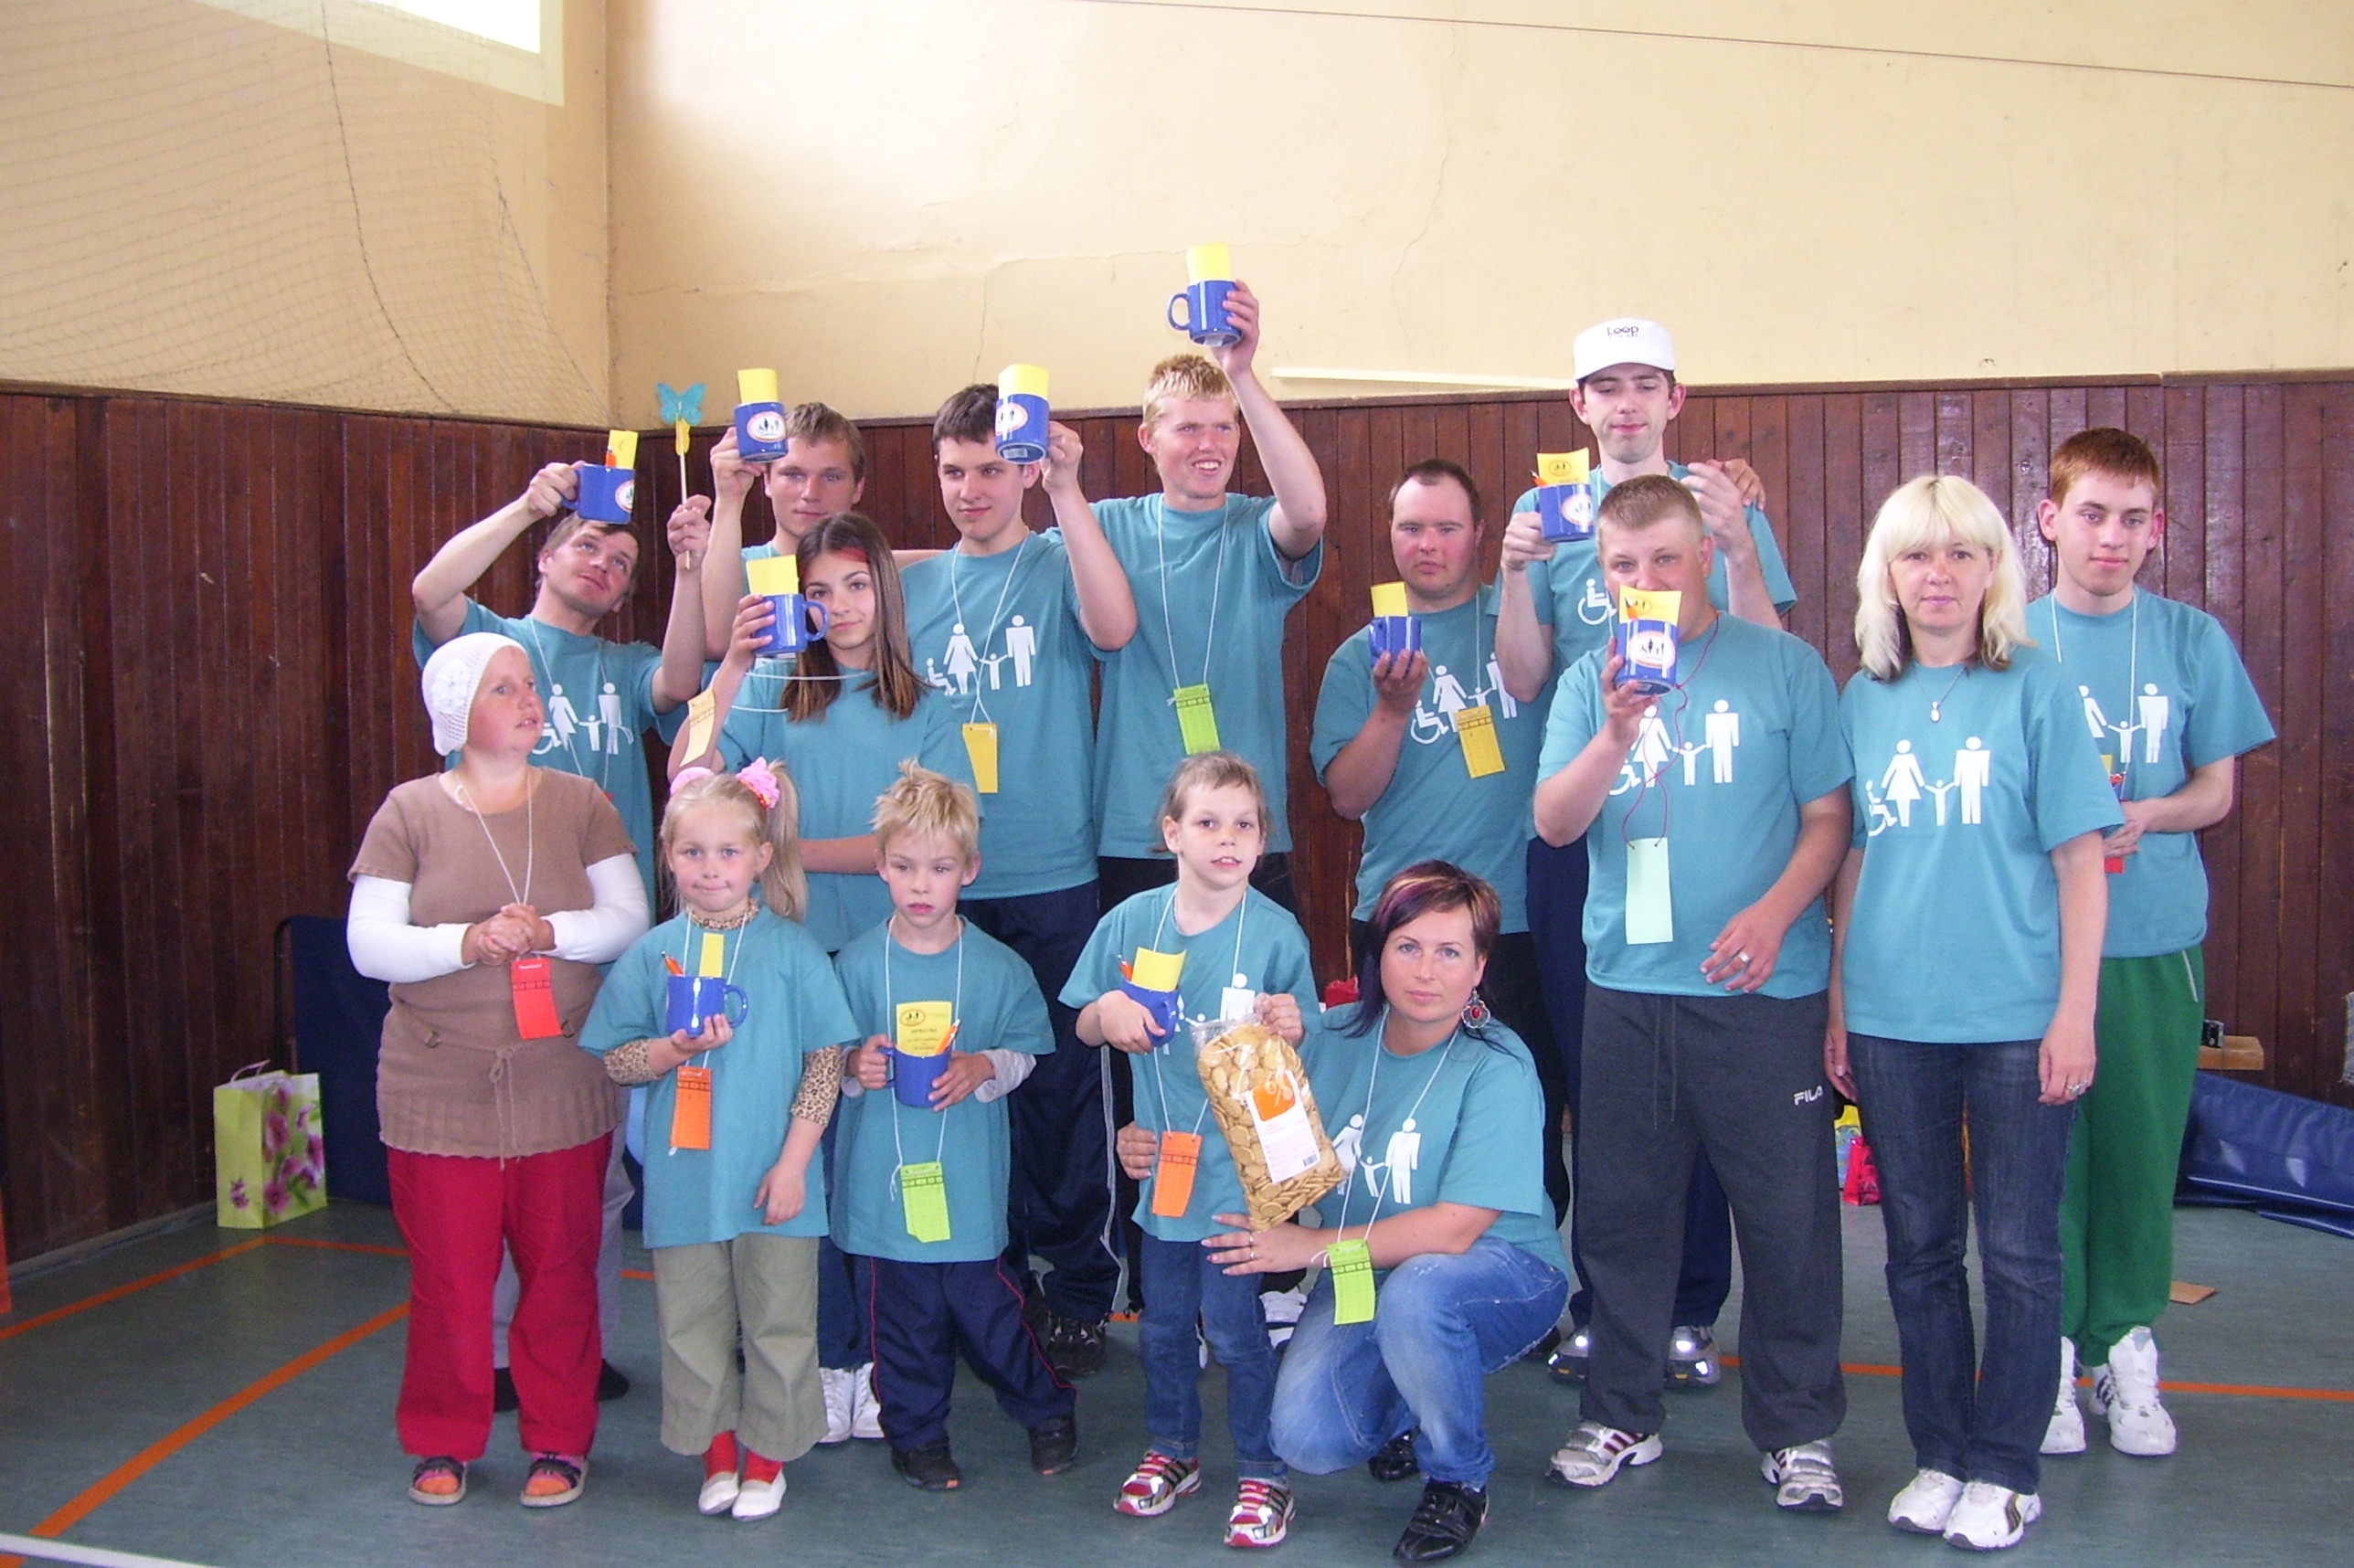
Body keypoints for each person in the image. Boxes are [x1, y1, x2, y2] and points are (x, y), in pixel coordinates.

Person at [1530, 476, 1853, 1510]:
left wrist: (1773, 915)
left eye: (1665, 559)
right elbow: (1554, 823)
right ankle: (1620, 1413)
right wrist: (1615, 733)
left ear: (1706, 556)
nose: (1647, 580)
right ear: (1602, 574)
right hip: (1629, 989)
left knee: (1788, 1222)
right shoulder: (1587, 684)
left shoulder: (1785, 666)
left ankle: (1798, 1430)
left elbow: (1829, 819)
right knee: (1622, 1216)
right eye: (1624, 565)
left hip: (1763, 990)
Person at [1493, 317, 1796, 1383]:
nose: (1623, 404)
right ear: (1577, 405)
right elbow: (1521, 680)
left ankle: (1690, 1307)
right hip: (1590, 822)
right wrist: (1512, 572)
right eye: (1603, 387)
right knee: (1604, 1078)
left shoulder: (1719, 502)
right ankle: (1606, 1304)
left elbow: (1773, 657)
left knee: (1699, 1069)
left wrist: (1742, 543)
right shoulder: (1545, 513)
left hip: (1706, 815)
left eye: (1642, 384)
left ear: (1674, 397)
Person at [1826, 474, 2120, 1551]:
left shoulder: (2035, 686)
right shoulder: (1862, 697)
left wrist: (2073, 1013)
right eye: (1915, 554)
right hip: (1892, 1019)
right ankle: (1940, 1453)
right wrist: (1840, 1002)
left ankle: (2004, 1467)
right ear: (1886, 574)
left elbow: (2080, 864)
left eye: (1960, 552)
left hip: (2015, 1018)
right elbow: (1853, 858)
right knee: (1915, 1250)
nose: (1937, 574)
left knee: (2018, 1254)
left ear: (1994, 567)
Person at [411, 461, 712, 1406]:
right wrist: (525, 505)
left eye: (623, 564)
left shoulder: (624, 669)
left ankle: (579, 1347)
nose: (604, 566)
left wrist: (690, 565)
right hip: (497, 947)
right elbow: (431, 593)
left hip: (603, 955)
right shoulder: (492, 645)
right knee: (502, 1162)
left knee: (595, 1170)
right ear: (544, 558)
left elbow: (682, 677)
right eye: (587, 545)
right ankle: (501, 1355)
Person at [677, 509, 979, 1440]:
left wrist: (788, 852)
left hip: (885, 969)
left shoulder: (928, 706)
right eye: (818, 591)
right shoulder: (773, 689)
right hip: (789, 968)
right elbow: (691, 777)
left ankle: (880, 1358)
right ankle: (829, 1355)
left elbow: (916, 845)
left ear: (884, 590)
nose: (839, 605)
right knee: (800, 1163)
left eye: (855, 585)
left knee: (869, 1170)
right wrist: (731, 666)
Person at [346, 633, 651, 1509]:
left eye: (529, 685)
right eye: (503, 688)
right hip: (438, 1088)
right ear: (456, 712)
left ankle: (560, 1438)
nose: (528, 700)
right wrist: (467, 943)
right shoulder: (408, 811)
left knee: (560, 1272)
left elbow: (628, 918)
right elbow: (369, 944)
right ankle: (442, 1438)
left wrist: (550, 932)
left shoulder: (581, 803)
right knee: (449, 1280)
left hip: (562, 1082)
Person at [1204, 862, 1569, 1564]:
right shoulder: (1330, 1037)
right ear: (1379, 951)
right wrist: (1150, 1138)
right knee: (1308, 1439)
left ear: (1480, 967)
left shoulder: (1499, 1063)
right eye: (1408, 946)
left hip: (1498, 1268)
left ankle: (1458, 1478)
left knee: (1420, 1293)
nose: (1426, 971)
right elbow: (1245, 1131)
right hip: (1361, 1264)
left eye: (1450, 952)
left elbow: (1455, 1230)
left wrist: (1305, 1248)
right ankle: (1412, 1391)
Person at [2025, 429, 2274, 1460]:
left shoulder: (2189, 639)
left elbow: (2215, 791)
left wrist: (2148, 815)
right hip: (2032, 946)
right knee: (2041, 1163)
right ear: (2049, 520)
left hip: (2152, 940)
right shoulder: (2010, 638)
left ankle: (2122, 1345)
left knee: (2136, 1152)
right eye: (2091, 514)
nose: (2111, 537)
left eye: (2133, 519)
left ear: (2158, 528)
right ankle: (2043, 1350)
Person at [900, 387, 1137, 1380]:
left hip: (1051, 871)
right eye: (954, 471)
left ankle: (1080, 1286)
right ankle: (993, 1286)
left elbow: (1114, 630)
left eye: (992, 469)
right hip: (941, 879)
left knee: (1061, 1096)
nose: (971, 489)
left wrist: (1069, 491)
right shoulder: (912, 587)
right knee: (961, 1090)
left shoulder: (1058, 559)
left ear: (1025, 471)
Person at [578, 765, 853, 1521]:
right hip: (686, 1178)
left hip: (776, 1178)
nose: (710, 869)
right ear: (667, 856)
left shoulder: (793, 952)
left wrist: (794, 1164)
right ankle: (717, 1456)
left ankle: (767, 1461)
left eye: (728, 853)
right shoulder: (652, 953)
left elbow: (824, 1063)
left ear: (760, 857)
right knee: (691, 1324)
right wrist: (670, 1051)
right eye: (692, 852)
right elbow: (616, 1058)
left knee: (778, 1321)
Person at [1064, 753, 1315, 1549]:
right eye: (1208, 822)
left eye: (1244, 825)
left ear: (1263, 839)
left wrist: (1293, 1026)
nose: (1227, 839)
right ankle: (1173, 1449)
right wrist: (1108, 1010)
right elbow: (1081, 1023)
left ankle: (1264, 1471)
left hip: (1238, 1183)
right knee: (1164, 1326)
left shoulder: (1275, 934)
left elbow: (1307, 1044)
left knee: (1237, 1331)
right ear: (1172, 833)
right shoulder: (1132, 923)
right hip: (1163, 1177)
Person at [1310, 460, 1557, 1213]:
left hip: (1516, 921)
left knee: (1524, 1115)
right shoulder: (1361, 655)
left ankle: (1520, 1263)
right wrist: (1392, 710)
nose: (1428, 544)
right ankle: (1387, 1254)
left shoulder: (1525, 628)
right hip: (1399, 921)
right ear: (1390, 535)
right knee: (1392, 1118)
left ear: (1479, 534)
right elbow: (1347, 798)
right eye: (1411, 527)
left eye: (1447, 527)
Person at [833, 764, 1079, 1490]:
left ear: (969, 870)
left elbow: (1029, 1052)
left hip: (967, 1190)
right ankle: (916, 1437)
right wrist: (853, 1064)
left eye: (939, 869)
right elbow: (823, 1062)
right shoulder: (854, 965)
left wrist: (983, 1066)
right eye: (904, 866)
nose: (921, 885)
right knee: (902, 1324)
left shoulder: (1000, 969)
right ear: (880, 866)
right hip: (882, 1193)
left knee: (991, 1314)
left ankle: (1045, 1407)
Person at [1088, 284, 1329, 916]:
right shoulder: (1108, 526)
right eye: (1189, 428)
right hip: (1137, 829)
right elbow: (1005, 560)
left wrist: (1241, 374)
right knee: (1141, 984)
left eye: (1224, 427)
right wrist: (875, 563)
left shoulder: (1255, 526)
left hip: (1242, 829)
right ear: (1148, 439)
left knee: (1254, 983)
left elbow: (1308, 514)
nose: (1209, 444)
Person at [700, 402, 868, 657]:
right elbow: (717, 644)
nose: (810, 493)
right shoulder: (730, 568)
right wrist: (729, 499)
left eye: (831, 477)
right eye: (793, 475)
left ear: (857, 488)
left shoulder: (875, 571)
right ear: (767, 480)